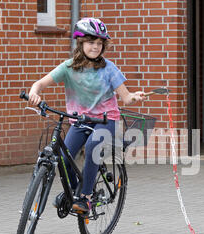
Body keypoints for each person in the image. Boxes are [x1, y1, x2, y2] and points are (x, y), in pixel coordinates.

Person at [28, 18, 145, 216]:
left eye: (100, 43)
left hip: (105, 121)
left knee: (92, 147)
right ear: (80, 43)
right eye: (91, 42)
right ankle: (74, 193)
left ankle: (86, 198)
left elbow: (125, 98)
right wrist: (34, 92)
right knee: (63, 160)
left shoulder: (109, 68)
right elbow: (39, 84)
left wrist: (134, 96)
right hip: (80, 121)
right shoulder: (68, 67)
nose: (96, 47)